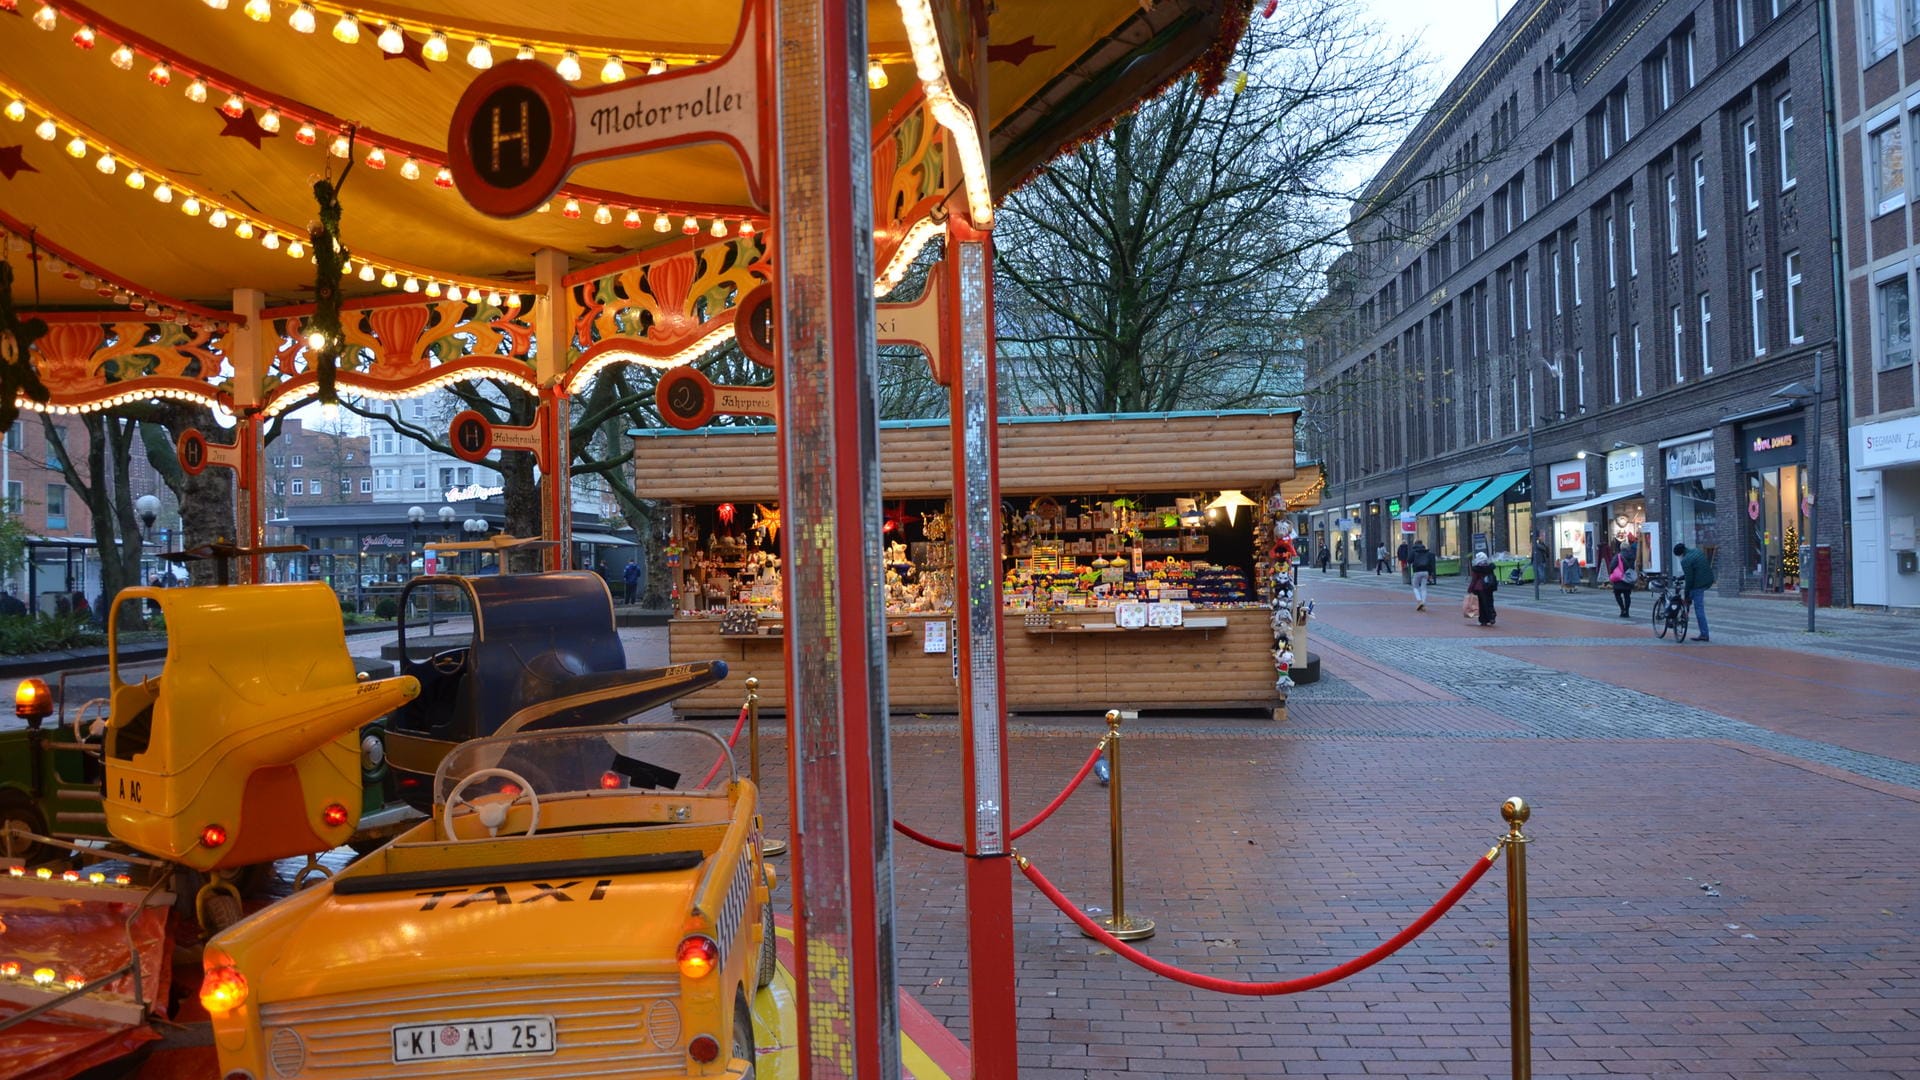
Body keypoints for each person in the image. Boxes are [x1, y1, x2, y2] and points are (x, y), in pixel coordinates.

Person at [1676, 542, 1715, 641]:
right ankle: (1685, 616)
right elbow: (1695, 570)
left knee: (1698, 608)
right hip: (1707, 580)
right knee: (1692, 601)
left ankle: (1704, 634)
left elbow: (1689, 580)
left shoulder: (1685, 561)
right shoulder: (1696, 551)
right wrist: (1683, 577)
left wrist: (1686, 594)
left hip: (1698, 584)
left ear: (1680, 554)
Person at [1468, 551, 1498, 626]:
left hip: (1480, 588)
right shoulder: (1490, 567)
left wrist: (1470, 589)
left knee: (1481, 604)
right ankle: (1491, 617)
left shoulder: (1476, 568)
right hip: (1489, 587)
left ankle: (1483, 620)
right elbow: (1493, 577)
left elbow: (1474, 580)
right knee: (1490, 602)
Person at [1409, 540, 1436, 610]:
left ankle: (1419, 600)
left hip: (1417, 571)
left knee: (1415, 587)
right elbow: (1430, 564)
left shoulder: (1413, 551)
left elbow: (1409, 560)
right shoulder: (1427, 552)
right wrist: (1430, 574)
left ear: (1415, 544)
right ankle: (1423, 603)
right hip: (1426, 571)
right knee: (1424, 588)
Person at [1608, 548, 1633, 617]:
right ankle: (1627, 611)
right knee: (1627, 596)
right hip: (1628, 578)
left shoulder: (1618, 556)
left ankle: (1622, 609)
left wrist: (1612, 572)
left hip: (1619, 579)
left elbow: (1612, 566)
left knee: (1617, 594)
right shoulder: (1632, 556)